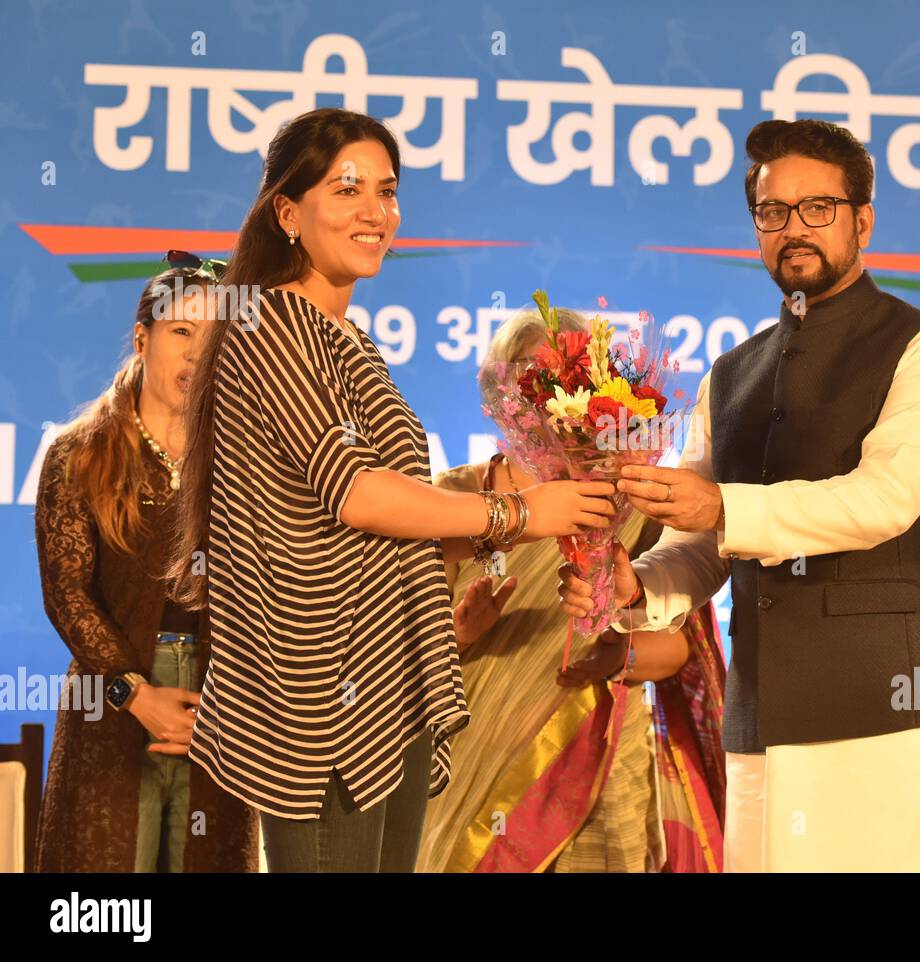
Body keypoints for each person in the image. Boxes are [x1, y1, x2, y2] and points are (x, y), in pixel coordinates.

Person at [166, 107, 616, 872]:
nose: (376, 211)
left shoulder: (348, 339)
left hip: (392, 678)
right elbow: (354, 494)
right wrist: (519, 511)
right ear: (287, 211)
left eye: (388, 190)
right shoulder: (271, 323)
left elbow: (373, 525)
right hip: (324, 695)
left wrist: (513, 533)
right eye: (347, 190)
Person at [560, 119, 920, 871]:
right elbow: (701, 545)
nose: (794, 229)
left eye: (817, 208)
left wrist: (721, 509)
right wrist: (638, 584)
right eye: (772, 212)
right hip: (761, 718)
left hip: (886, 710)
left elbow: (881, 501)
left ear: (863, 221)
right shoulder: (734, 371)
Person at [418, 308, 726, 873]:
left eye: (567, 378)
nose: (547, 399)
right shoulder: (458, 496)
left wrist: (622, 652)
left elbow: (684, 650)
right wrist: (461, 633)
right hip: (477, 749)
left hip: (601, 750)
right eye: (531, 382)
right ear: (500, 395)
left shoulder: (633, 498)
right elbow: (400, 654)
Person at [34, 259, 258, 872]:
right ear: (143, 339)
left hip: (218, 707)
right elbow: (68, 596)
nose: (195, 356)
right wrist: (135, 695)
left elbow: (264, 598)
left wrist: (224, 709)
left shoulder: (242, 460)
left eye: (213, 340)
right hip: (113, 695)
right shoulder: (80, 453)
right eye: (181, 333)